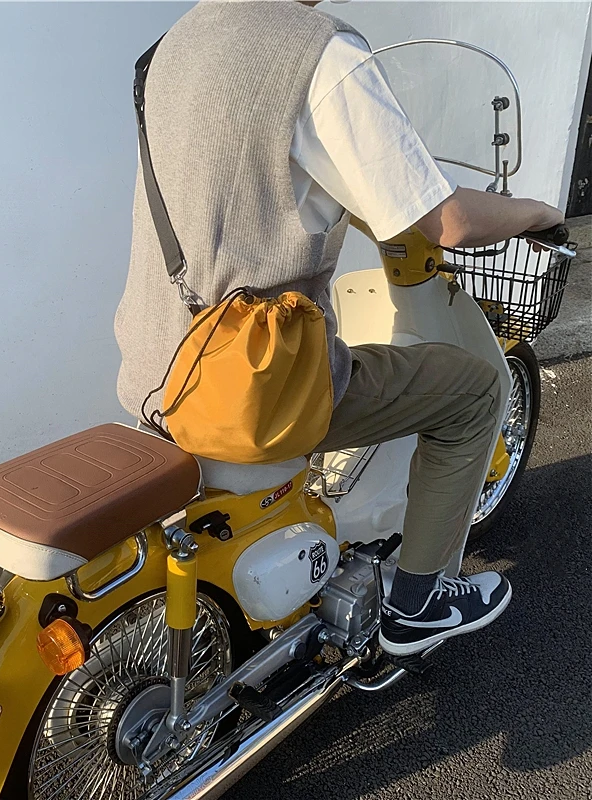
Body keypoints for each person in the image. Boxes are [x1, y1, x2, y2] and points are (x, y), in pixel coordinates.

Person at [114, 0, 565, 655]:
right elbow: (448, 222)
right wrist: (535, 211)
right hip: (252, 385)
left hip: (160, 366)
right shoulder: (318, 51)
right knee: (474, 390)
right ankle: (420, 602)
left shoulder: (176, 42)